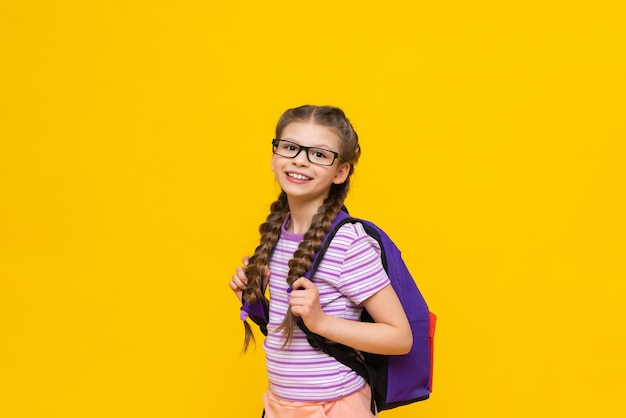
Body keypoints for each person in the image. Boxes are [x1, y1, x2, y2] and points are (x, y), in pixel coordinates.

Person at [229, 105, 412, 417]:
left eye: (319, 154)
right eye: (290, 148)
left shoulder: (347, 243)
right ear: (274, 157)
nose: (300, 159)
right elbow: (293, 336)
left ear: (341, 172)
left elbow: (399, 337)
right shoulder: (279, 232)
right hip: (281, 405)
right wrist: (254, 300)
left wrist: (322, 322)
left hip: (335, 408)